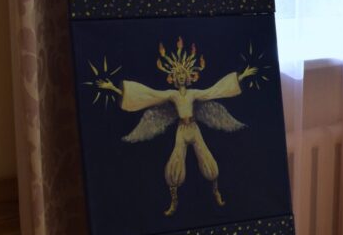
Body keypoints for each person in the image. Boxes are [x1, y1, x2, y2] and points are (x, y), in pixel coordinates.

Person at [95, 37, 257, 215]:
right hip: (181, 130)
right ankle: (174, 200)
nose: (180, 76)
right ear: (173, 78)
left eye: (183, 74)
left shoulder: (194, 93)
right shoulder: (171, 94)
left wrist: (242, 76)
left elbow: (214, 91)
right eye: (177, 74)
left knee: (206, 157)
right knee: (176, 159)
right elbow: (150, 95)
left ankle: (216, 191)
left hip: (194, 128)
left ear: (188, 77)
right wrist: (114, 88)